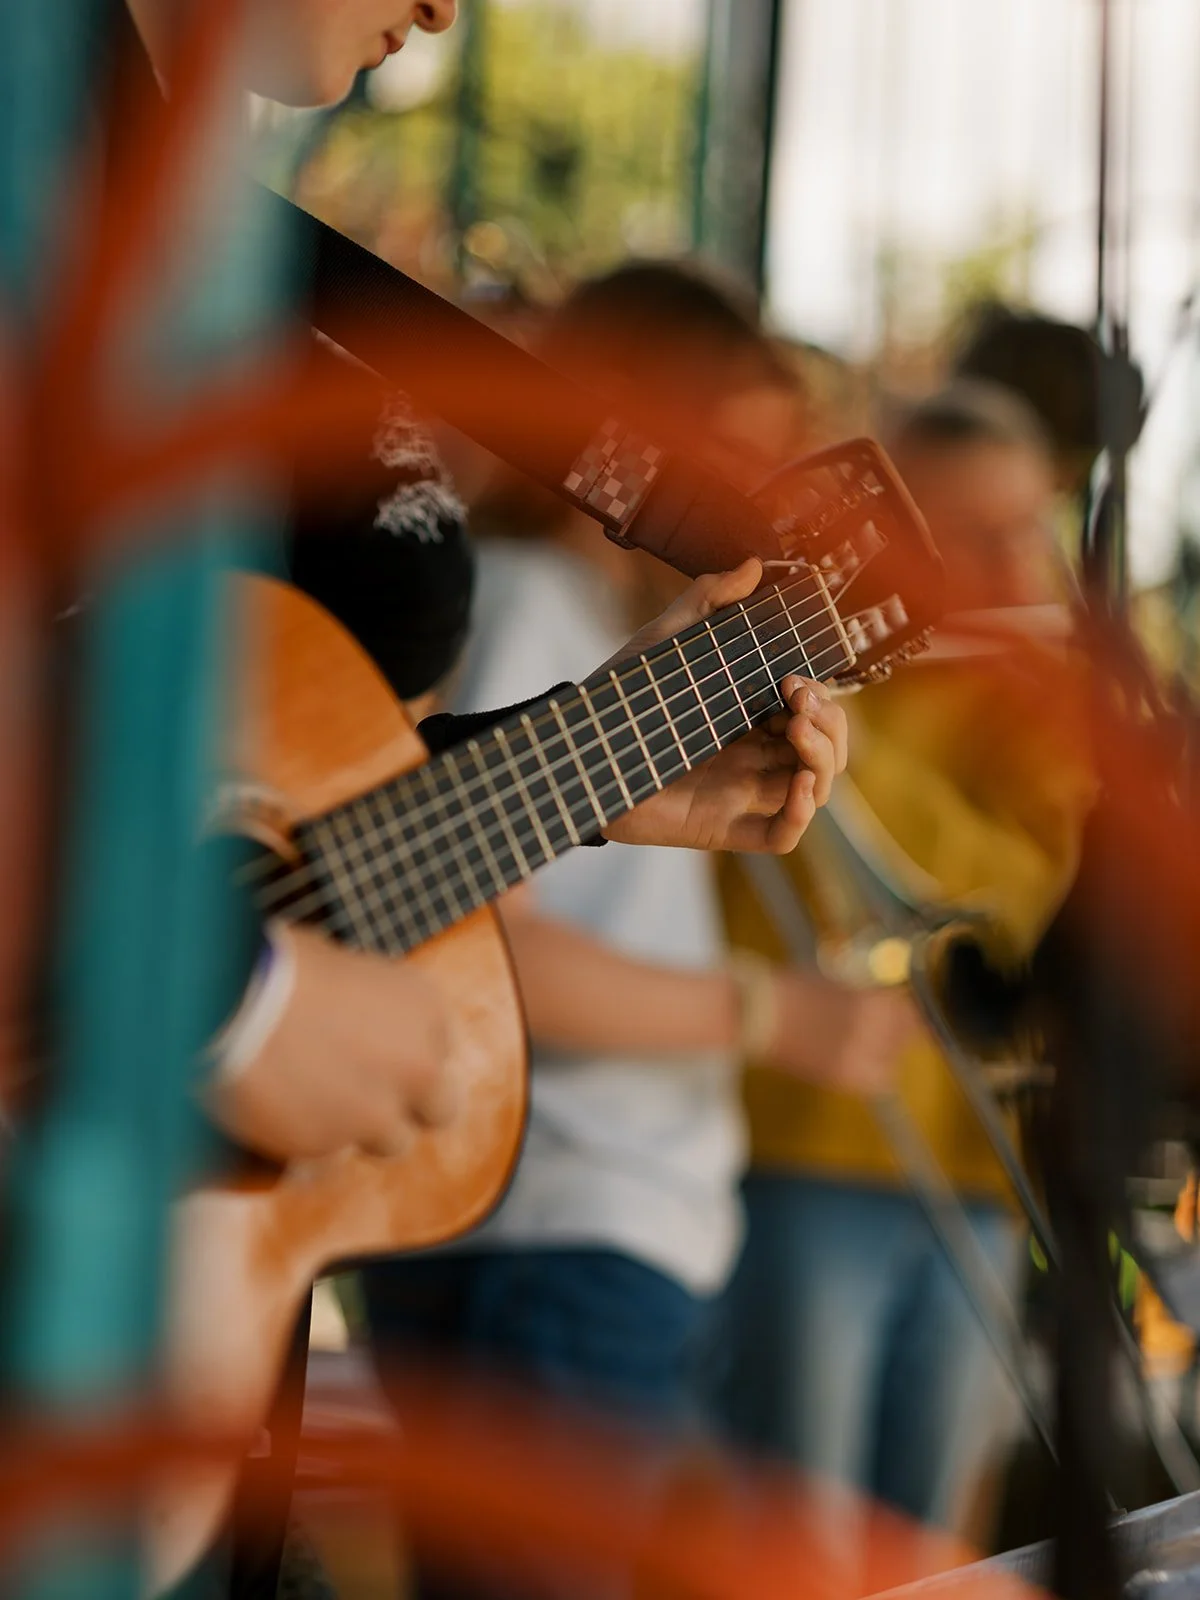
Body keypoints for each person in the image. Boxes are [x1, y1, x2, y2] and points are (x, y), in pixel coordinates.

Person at [356, 261, 895, 1600]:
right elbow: (479, 942)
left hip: (595, 1245)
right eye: (738, 454)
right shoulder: (525, 604)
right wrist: (777, 1017)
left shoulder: (594, 623)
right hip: (549, 1238)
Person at [714, 382, 1094, 1537]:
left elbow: (1025, 899)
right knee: (795, 1531)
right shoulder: (786, 665)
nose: (1014, 562)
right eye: (970, 534)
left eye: (1027, 527)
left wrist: (864, 750)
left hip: (977, 1172)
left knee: (930, 1535)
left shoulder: (1043, 699)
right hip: (801, 1146)